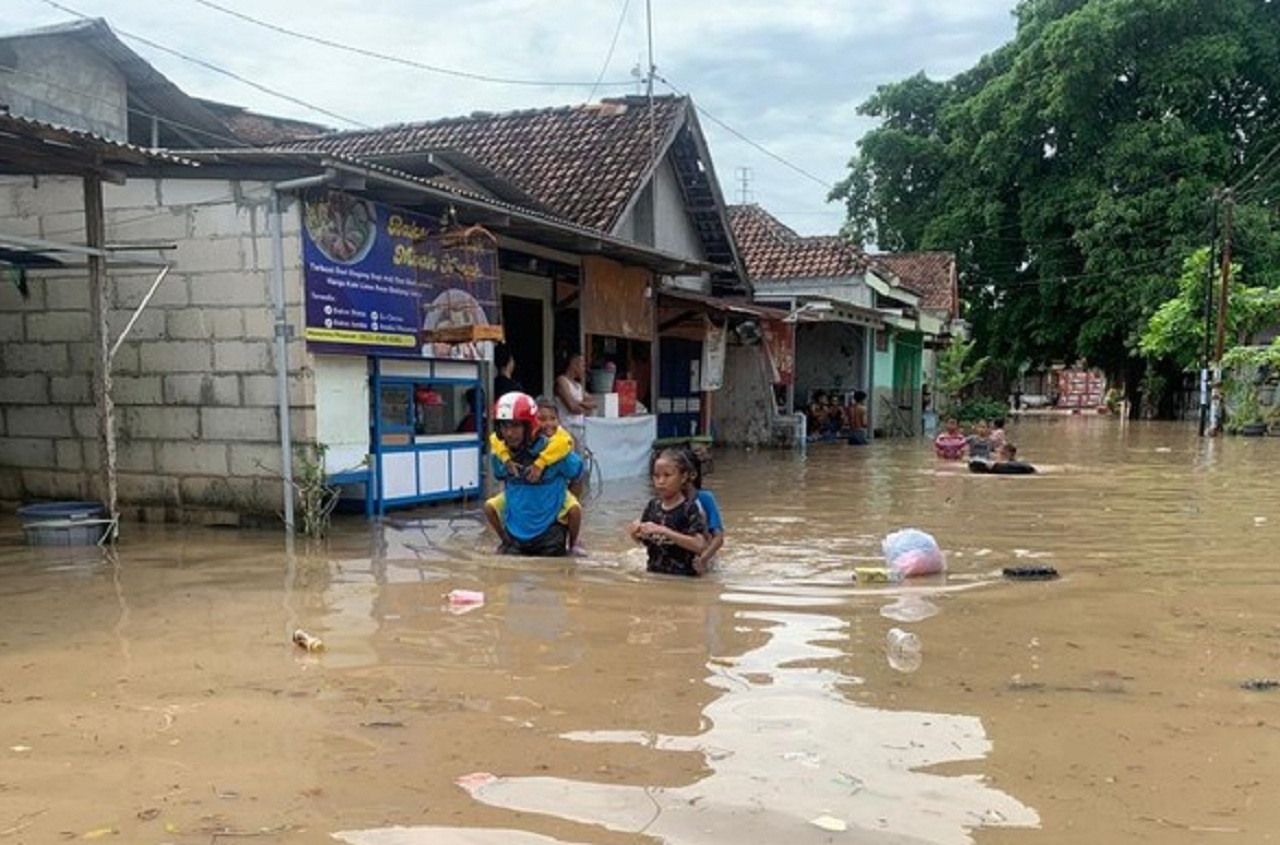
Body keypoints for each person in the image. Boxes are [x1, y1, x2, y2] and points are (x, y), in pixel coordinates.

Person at [484, 391, 583, 556]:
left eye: (515, 426)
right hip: (515, 534)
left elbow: (577, 473)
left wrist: (565, 497)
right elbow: (499, 471)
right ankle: (504, 541)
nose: (509, 433)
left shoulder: (557, 452)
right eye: (505, 426)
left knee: (574, 510)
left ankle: (573, 544)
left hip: (550, 534)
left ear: (529, 426)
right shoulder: (501, 454)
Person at [629, 448, 707, 577]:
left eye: (667, 475)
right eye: (656, 476)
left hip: (683, 580)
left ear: (683, 477)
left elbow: (699, 545)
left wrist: (664, 531)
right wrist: (635, 533)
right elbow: (646, 542)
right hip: (654, 576)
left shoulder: (689, 509)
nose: (660, 481)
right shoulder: (652, 506)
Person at [683, 447, 724, 570]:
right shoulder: (665, 501)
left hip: (704, 559)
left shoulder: (705, 498)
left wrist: (704, 559)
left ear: (691, 475)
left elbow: (719, 538)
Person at [554, 351, 596, 448]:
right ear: (574, 364)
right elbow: (573, 408)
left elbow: (594, 403)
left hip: (580, 429)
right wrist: (582, 406)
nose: (584, 369)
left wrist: (579, 403)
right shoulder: (562, 381)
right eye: (583, 365)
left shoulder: (578, 386)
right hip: (566, 428)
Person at [969, 442, 1038, 475]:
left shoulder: (1014, 463)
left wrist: (995, 464)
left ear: (1008, 453)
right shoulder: (998, 462)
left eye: (1001, 452)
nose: (999, 454)